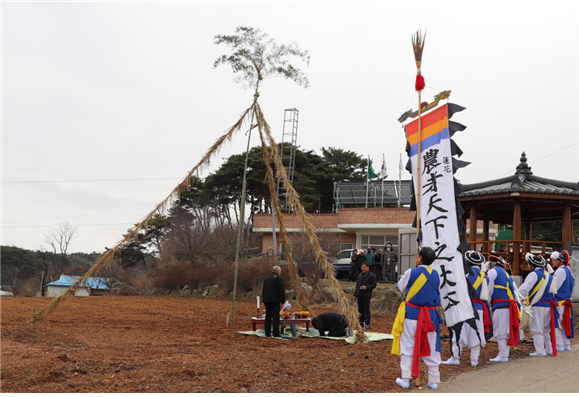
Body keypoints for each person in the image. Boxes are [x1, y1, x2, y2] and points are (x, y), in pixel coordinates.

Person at [392, 246, 442, 390]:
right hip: (430, 317)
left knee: (407, 345)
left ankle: (406, 379)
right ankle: (433, 381)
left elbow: (401, 288)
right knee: (431, 346)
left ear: (420, 258)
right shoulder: (436, 275)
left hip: (411, 314)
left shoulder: (411, 272)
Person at [442, 251, 491, 367]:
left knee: (460, 331)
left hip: (465, 306)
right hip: (479, 308)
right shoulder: (486, 277)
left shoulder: (465, 274)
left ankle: (455, 357)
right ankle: (474, 359)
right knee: (476, 332)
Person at [518, 253, 559, 357]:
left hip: (537, 305)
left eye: (528, 264)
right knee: (545, 329)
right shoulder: (548, 275)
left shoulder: (533, 274)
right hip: (548, 305)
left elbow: (524, 289)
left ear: (532, 265)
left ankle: (540, 350)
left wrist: (515, 298)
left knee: (537, 328)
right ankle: (548, 348)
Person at [486, 255, 521, 363]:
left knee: (499, 330)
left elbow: (489, 290)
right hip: (510, 305)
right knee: (506, 330)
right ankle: (504, 354)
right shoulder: (507, 274)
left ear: (491, 265)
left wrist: (486, 303)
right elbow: (515, 290)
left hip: (500, 305)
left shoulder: (492, 272)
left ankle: (502, 355)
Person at [551, 251, 575, 351]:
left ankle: (559, 345)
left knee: (557, 324)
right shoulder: (569, 271)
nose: (553, 262)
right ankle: (565, 344)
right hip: (566, 301)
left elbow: (554, 288)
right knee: (564, 324)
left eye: (554, 260)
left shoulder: (560, 271)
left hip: (559, 302)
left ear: (560, 261)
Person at [262, 265, 286, 338]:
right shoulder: (279, 278)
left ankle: (267, 333)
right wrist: (282, 301)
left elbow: (264, 289)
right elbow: (281, 290)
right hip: (275, 300)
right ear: (278, 271)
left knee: (268, 316)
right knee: (276, 317)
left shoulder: (267, 278)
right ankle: (276, 333)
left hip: (267, 300)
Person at [353, 262, 377, 329]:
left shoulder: (372, 276)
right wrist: (355, 295)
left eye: (364, 267)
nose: (362, 269)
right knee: (360, 310)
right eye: (362, 267)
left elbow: (374, 285)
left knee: (366, 309)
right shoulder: (360, 275)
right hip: (359, 295)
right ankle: (361, 323)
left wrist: (366, 287)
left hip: (366, 295)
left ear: (368, 267)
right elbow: (357, 285)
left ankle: (367, 324)